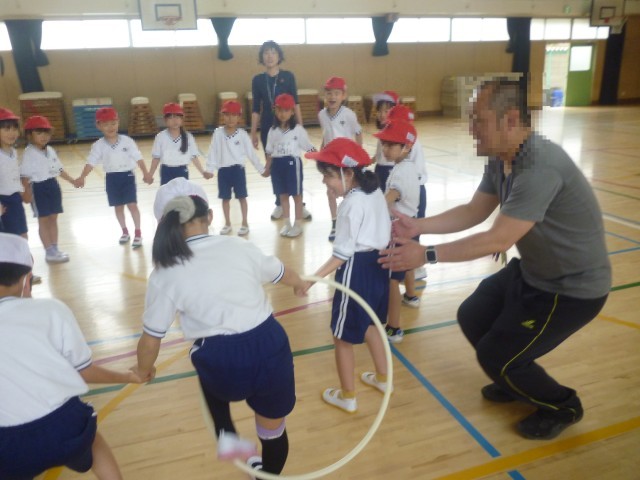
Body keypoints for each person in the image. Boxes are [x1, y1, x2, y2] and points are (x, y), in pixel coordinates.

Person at [379, 79, 611, 440]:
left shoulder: (539, 166)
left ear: (511, 119)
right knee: (473, 315)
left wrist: (425, 254)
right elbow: (474, 210)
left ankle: (563, 406)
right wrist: (418, 226)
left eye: (478, 119)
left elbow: (498, 239)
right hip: (534, 273)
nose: (471, 128)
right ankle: (513, 378)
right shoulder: (502, 158)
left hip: (571, 289)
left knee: (496, 356)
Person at [134, 178, 306, 475]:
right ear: (210, 216)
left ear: (163, 224)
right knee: (273, 430)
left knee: (205, 364)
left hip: (222, 358)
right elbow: (283, 273)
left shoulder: (165, 271)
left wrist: (143, 369)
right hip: (271, 346)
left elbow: (151, 339)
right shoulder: (240, 245)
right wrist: (299, 284)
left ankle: (225, 432)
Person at [0, 233, 151, 480]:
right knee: (92, 440)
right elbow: (84, 371)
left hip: (8, 442)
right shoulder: (51, 310)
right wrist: (129, 376)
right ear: (27, 280)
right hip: (63, 425)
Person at [302, 138, 392, 414]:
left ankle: (348, 396)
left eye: (328, 175)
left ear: (348, 173)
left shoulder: (350, 205)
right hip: (380, 266)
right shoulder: (374, 192)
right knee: (372, 324)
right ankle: (383, 379)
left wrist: (311, 279)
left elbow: (341, 254)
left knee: (342, 337)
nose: (324, 182)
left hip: (356, 270)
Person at [250, 40, 311, 221]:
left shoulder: (288, 76)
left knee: (293, 165)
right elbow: (256, 108)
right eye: (266, 52)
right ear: (262, 57)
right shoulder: (258, 80)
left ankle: (299, 203)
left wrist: (300, 126)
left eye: (273, 52)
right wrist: (253, 133)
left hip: (289, 127)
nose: (269, 56)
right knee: (274, 165)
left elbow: (296, 103)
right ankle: (279, 203)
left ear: (279, 56)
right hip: (269, 128)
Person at [74, 107, 152, 248]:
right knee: (118, 207)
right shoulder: (98, 145)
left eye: (113, 123)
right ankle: (124, 231)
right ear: (98, 126)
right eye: (105, 124)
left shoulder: (127, 141)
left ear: (118, 123)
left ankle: (138, 233)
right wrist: (82, 176)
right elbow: (91, 162)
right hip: (111, 178)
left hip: (127, 176)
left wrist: (146, 173)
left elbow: (138, 157)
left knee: (132, 205)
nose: (110, 127)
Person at [374, 120, 421, 344]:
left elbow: (390, 198)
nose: (385, 149)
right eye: (384, 144)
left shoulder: (400, 173)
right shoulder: (408, 167)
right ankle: (411, 296)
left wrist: (369, 208)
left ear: (406, 147)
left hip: (398, 230)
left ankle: (393, 327)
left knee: (392, 280)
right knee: (407, 265)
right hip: (410, 226)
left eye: (391, 145)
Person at [205, 100, 268, 236]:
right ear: (223, 116)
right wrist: (209, 169)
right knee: (225, 199)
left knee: (242, 197)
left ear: (239, 117)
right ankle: (227, 223)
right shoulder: (218, 133)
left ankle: (245, 223)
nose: (230, 118)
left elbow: (251, 154)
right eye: (227, 115)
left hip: (238, 171)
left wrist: (261, 170)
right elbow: (213, 152)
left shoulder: (242, 135)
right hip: (223, 171)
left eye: (234, 115)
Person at [19, 115, 75, 264]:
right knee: (43, 220)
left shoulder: (50, 150)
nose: (43, 136)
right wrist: (26, 193)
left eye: (46, 133)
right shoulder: (29, 153)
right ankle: (49, 251)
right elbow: (24, 176)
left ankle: (55, 248)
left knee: (53, 218)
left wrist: (72, 180)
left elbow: (59, 169)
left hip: (52, 185)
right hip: (38, 188)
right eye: (39, 133)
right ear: (30, 135)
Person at [386, 104, 429, 281]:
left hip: (415, 190)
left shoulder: (409, 145)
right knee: (410, 230)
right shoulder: (406, 143)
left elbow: (407, 179)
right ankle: (410, 269)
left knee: (413, 230)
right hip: (413, 189)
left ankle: (417, 267)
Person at [318, 76, 363, 241]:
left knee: (348, 192)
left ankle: (350, 222)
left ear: (343, 96)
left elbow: (358, 133)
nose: (332, 97)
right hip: (330, 161)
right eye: (329, 93)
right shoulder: (322, 115)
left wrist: (358, 155)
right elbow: (326, 135)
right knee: (330, 192)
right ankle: (335, 223)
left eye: (336, 93)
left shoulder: (349, 115)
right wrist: (321, 153)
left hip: (346, 160)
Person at [0, 108, 42, 284]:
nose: (12, 133)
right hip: (2, 202)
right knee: (6, 242)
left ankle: (26, 275)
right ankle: (10, 279)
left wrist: (23, 191)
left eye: (14, 128)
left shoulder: (12, 151)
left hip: (14, 200)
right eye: (6, 129)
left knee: (22, 237)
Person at [265, 93, 316, 238]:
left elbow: (309, 147)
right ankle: (286, 223)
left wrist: (320, 158)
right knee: (283, 195)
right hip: (277, 166)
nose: (282, 114)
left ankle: (298, 224)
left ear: (292, 111)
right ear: (275, 110)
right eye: (279, 110)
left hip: (292, 165)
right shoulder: (272, 131)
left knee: (297, 195)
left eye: (286, 110)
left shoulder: (298, 130)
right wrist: (267, 168)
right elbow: (269, 151)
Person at [147, 102, 210, 185]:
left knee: (182, 192)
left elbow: (194, 157)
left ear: (182, 119)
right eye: (171, 117)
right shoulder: (160, 137)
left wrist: (203, 172)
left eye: (177, 117)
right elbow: (156, 158)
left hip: (182, 170)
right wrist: (150, 175)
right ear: (165, 120)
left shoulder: (188, 137)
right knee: (167, 192)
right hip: (166, 171)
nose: (175, 120)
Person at [371, 90, 400, 191]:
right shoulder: (383, 130)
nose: (382, 115)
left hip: (389, 169)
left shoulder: (396, 132)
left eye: (386, 111)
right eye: (379, 111)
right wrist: (372, 160)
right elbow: (380, 151)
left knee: (387, 195)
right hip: (379, 168)